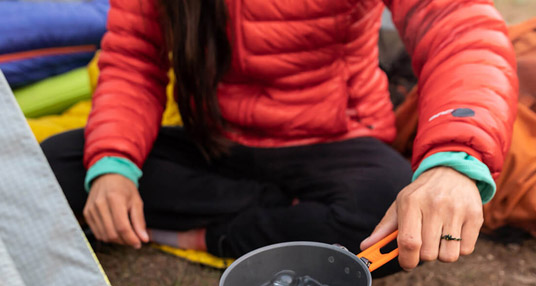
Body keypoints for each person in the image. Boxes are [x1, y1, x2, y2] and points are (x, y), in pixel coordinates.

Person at [42, 0, 518, 272]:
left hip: (333, 140)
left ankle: (202, 232)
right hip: (217, 141)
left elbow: (462, 28)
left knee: (388, 212)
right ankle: (284, 215)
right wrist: (112, 163)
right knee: (53, 168)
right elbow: (134, 59)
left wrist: (454, 158)